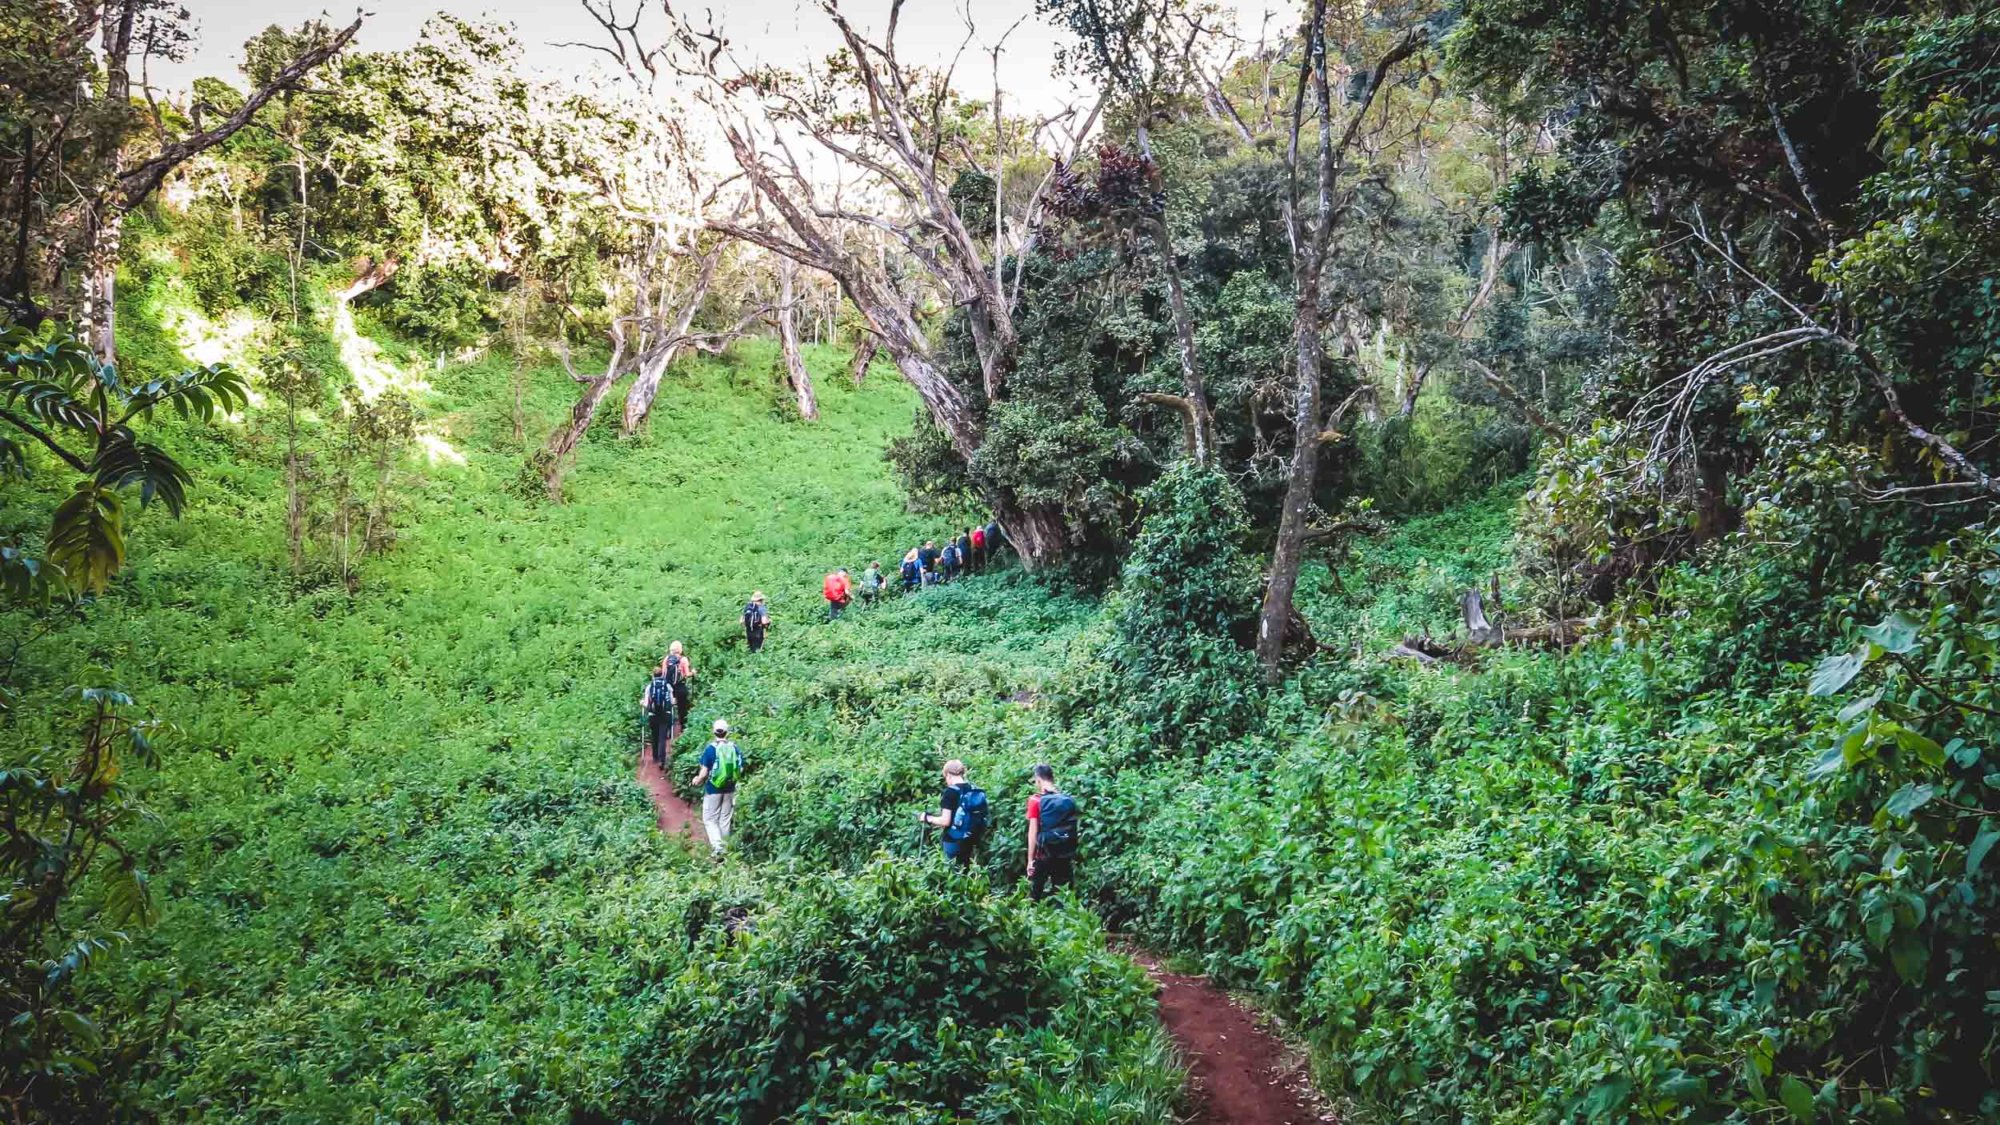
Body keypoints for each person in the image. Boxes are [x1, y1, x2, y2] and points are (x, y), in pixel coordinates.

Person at [917, 758, 987, 868]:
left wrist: (926, 818)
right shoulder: (972, 789)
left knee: (952, 873)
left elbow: (945, 821)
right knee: (966, 872)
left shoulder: (950, 792)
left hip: (953, 841)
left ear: (948, 775)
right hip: (971, 839)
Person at [691, 719, 744, 857]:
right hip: (730, 788)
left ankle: (718, 848)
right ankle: (725, 847)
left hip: (713, 789)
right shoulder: (734, 747)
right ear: (727, 732)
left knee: (710, 819)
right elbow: (740, 767)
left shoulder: (711, 749)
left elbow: (704, 772)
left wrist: (697, 780)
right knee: (725, 818)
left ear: (714, 731)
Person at [1025, 764, 1077, 901]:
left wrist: (1030, 860)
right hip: (1063, 852)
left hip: (1043, 853)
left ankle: (1032, 919)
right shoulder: (1065, 800)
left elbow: (1033, 832)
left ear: (1038, 780)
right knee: (1063, 894)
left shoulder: (1036, 800)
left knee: (1035, 894)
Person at [639, 658, 676, 769]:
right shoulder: (667, 686)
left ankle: (655, 757)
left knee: (654, 736)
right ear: (662, 675)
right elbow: (672, 701)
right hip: (665, 714)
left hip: (653, 715)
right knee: (662, 737)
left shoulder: (650, 687)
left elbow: (646, 703)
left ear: (653, 676)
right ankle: (662, 759)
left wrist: (642, 703)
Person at [664, 641, 694, 733]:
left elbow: (664, 673)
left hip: (669, 687)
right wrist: (693, 673)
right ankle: (683, 727)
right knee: (683, 707)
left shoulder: (667, 659)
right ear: (680, 649)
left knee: (668, 707)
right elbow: (687, 674)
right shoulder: (683, 659)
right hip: (680, 686)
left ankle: (668, 728)